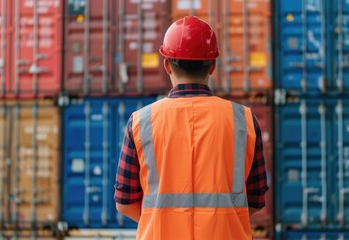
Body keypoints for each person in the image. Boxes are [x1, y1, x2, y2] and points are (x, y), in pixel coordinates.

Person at [114, 16, 268, 240]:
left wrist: (164, 219)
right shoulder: (243, 120)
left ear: (167, 65)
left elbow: (125, 202)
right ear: (213, 65)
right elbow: (255, 199)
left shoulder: (141, 122)